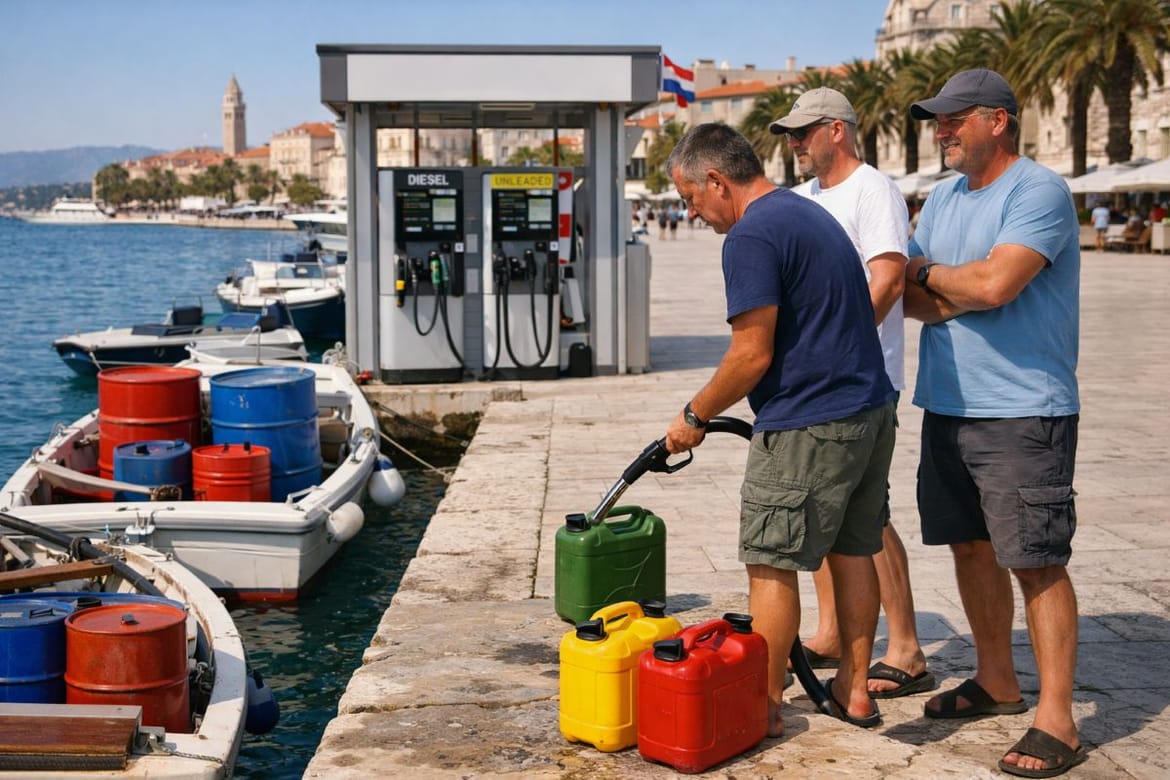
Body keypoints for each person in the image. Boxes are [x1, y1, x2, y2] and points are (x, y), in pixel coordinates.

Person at [663, 122, 897, 739]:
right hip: (869, 411)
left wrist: (694, 416)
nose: (695, 214)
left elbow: (750, 355)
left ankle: (761, 706)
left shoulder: (750, 235)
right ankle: (855, 690)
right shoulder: (809, 212)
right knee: (853, 551)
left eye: (691, 199)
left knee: (769, 563)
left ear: (717, 181)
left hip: (808, 422)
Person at [903, 69, 1085, 778]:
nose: (941, 131)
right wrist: (956, 283)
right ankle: (996, 681)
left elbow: (997, 283)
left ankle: (1058, 720)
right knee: (970, 549)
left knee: (1036, 561)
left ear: (999, 121)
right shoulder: (942, 199)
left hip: (1021, 409)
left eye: (954, 118)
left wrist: (942, 278)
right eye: (937, 120)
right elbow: (911, 299)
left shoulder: (1037, 191)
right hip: (946, 403)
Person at [769, 87, 933, 700]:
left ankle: (909, 647)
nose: (794, 144)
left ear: (837, 130)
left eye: (803, 132)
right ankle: (834, 631)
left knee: (871, 515)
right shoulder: (804, 198)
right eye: (789, 134)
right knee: (829, 508)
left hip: (863, 377)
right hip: (814, 381)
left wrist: (836, 346)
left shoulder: (873, 190)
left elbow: (888, 277)